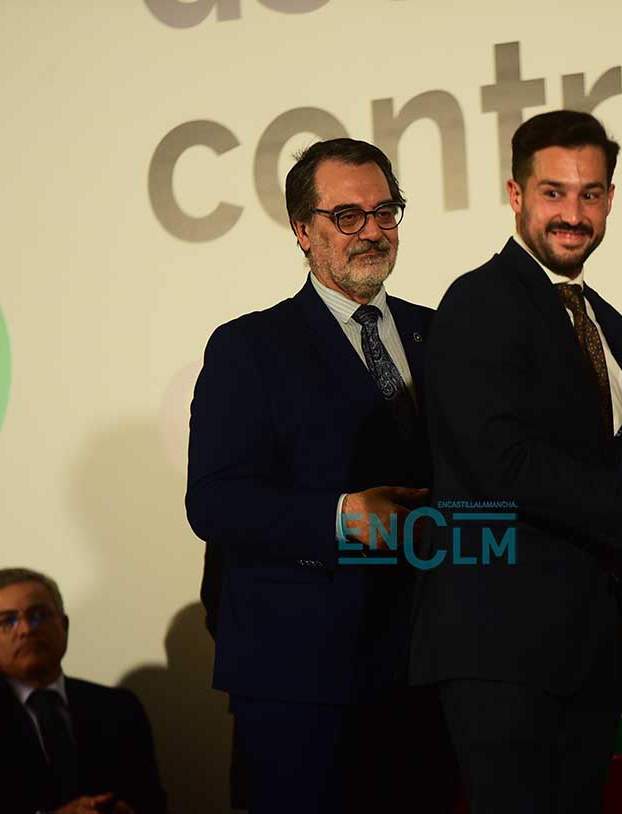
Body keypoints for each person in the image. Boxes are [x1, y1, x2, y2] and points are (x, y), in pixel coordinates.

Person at [410, 110, 622, 814]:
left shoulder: (606, 319)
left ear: (609, 198)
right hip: (499, 646)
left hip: (586, 647)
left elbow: (579, 448)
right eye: (554, 192)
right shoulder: (478, 302)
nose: (573, 214)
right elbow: (499, 464)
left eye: (590, 193)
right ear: (515, 195)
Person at [186, 138, 453, 813]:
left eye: (385, 211)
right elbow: (215, 502)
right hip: (302, 684)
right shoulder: (249, 347)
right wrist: (343, 516)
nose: (372, 231)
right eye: (347, 216)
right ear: (303, 230)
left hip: (428, 672)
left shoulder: (444, 335)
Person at [0, 568, 166, 814]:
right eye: (7, 621)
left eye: (39, 615)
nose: (27, 629)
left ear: (64, 625)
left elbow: (152, 801)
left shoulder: (117, 708)